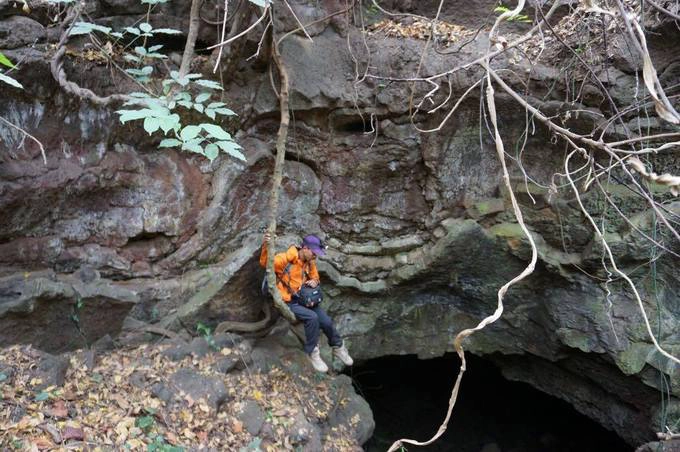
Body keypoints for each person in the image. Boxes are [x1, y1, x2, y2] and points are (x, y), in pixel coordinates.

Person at [260, 232, 353, 372]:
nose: (316, 255)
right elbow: (266, 262)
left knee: (326, 321)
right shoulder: (285, 259)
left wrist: (314, 282)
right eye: (314, 252)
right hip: (288, 301)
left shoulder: (310, 262)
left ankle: (338, 347)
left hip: (304, 299)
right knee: (312, 318)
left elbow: (316, 277)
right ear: (305, 248)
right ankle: (312, 353)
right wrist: (266, 245)